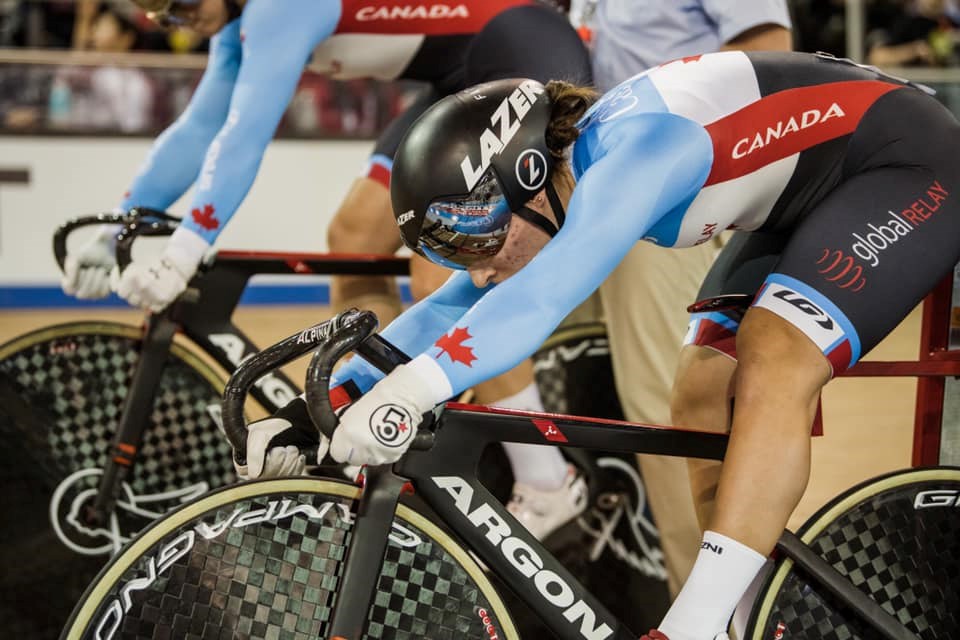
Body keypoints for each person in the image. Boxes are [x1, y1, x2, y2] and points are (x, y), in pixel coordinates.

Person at [247, 51, 960, 639]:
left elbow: (541, 296)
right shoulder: (572, 174)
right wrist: (319, 405)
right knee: (703, 384)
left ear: (527, 179)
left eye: (480, 241)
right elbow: (455, 306)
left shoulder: (635, 153)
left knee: (777, 354)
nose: (481, 267)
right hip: (808, 192)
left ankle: (696, 627)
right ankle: (745, 619)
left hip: (908, 163)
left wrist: (419, 386)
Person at [59, 0, 593, 536]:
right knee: (355, 234)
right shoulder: (234, 27)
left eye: (180, 4)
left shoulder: (278, 8)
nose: (175, 20)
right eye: (159, 14)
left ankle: (546, 481)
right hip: (461, 76)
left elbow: (243, 137)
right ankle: (373, 431)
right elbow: (199, 130)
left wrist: (187, 245)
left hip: (521, 44)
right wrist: (114, 232)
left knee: (450, 267)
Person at [570, 0, 794, 599]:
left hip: (675, 194)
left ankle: (715, 609)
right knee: (603, 391)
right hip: (607, 188)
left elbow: (768, 47)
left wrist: (661, 137)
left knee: (671, 411)